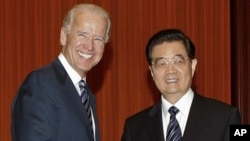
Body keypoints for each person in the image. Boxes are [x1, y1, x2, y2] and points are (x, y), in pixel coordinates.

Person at [11, 3, 111, 141]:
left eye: (98, 39)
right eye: (82, 35)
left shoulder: (87, 96)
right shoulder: (41, 84)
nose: (89, 46)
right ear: (64, 36)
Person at [121, 29, 241, 141]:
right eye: (162, 63)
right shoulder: (134, 127)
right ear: (152, 72)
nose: (170, 70)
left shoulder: (227, 116)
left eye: (178, 61)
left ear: (193, 66)